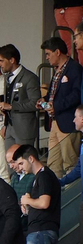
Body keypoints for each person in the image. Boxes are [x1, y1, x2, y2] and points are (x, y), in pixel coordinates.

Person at [40, 37, 82, 178]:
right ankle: (55, 193)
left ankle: (73, 197)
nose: (47, 58)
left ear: (57, 52)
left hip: (68, 121)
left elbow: (76, 94)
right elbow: (54, 94)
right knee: (53, 163)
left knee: (70, 163)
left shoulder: (74, 68)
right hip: (55, 122)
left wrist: (56, 106)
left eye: (48, 54)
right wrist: (44, 100)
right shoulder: (57, 71)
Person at [0, 44, 42, 152]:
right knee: (11, 164)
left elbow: (35, 103)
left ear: (12, 60)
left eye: (1, 61)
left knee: (24, 163)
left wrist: (12, 106)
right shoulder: (7, 77)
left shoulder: (29, 77)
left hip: (24, 129)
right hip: (9, 127)